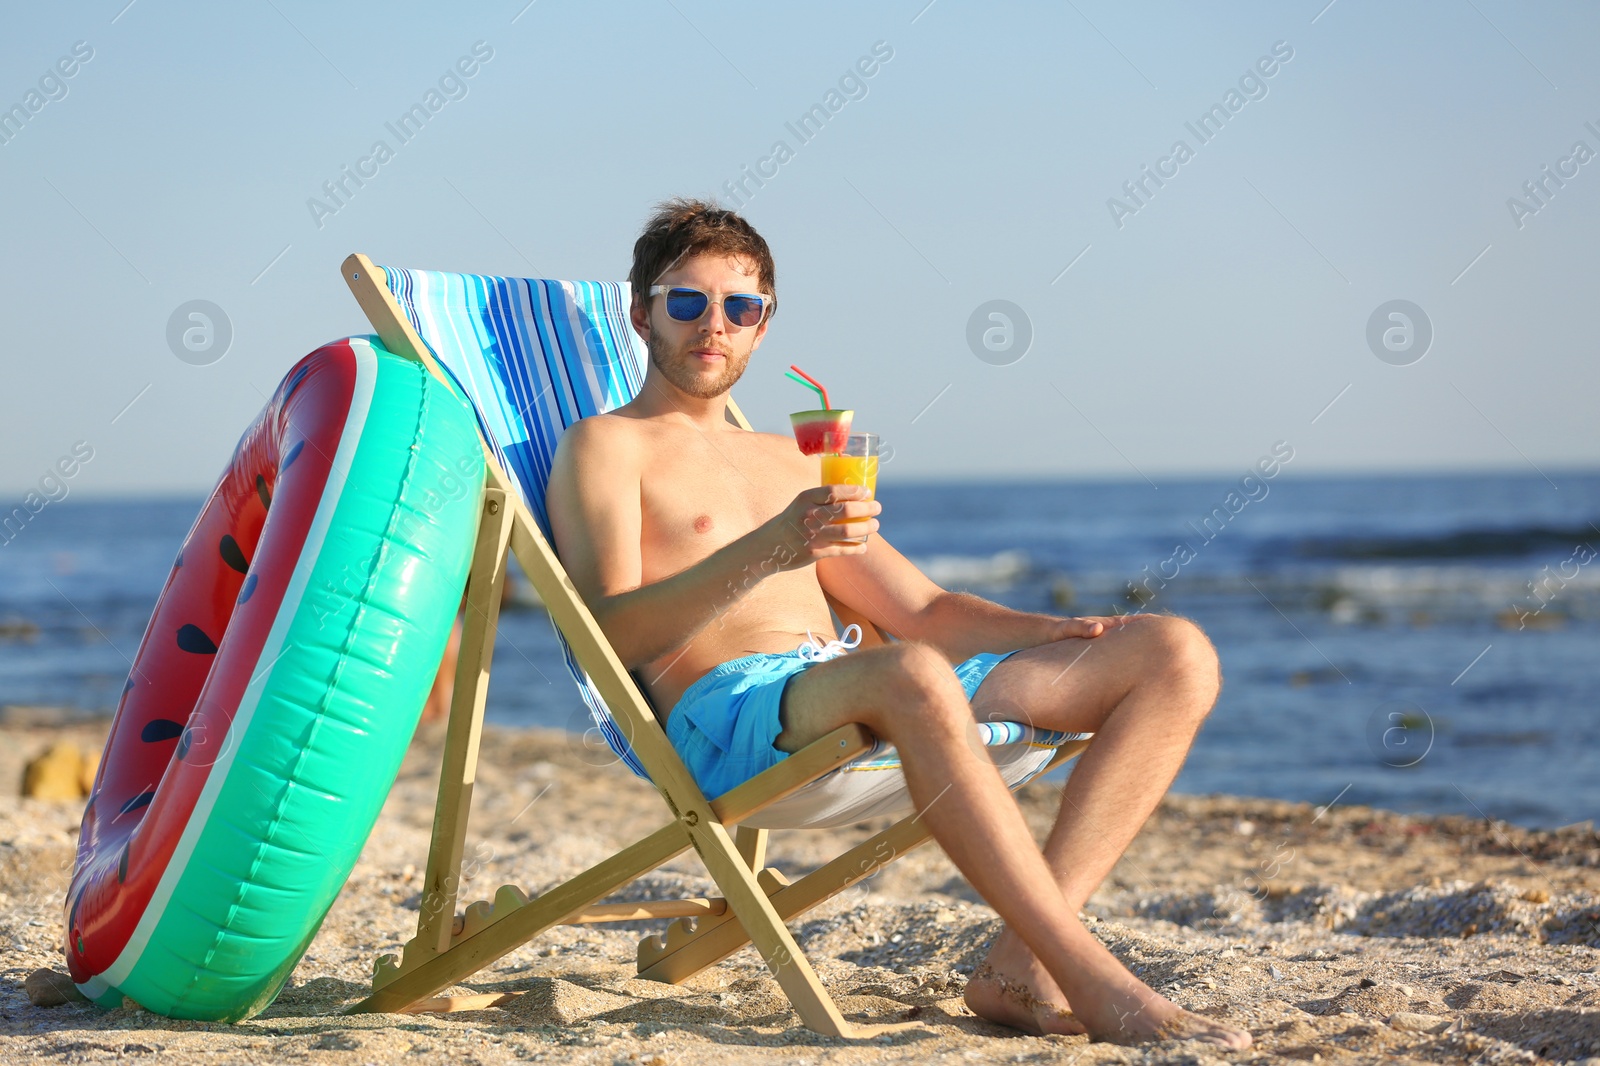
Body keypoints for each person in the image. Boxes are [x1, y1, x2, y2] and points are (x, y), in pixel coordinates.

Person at [543, 198, 1250, 1050]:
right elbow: (612, 635)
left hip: (863, 689)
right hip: (730, 716)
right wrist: (772, 548)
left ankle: (1017, 965)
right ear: (641, 314)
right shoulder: (605, 447)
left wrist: (1052, 629)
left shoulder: (788, 458)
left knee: (1173, 652)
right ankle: (1097, 980)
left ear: (764, 324)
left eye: (741, 306)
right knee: (909, 672)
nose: (713, 325)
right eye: (686, 302)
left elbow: (921, 612)